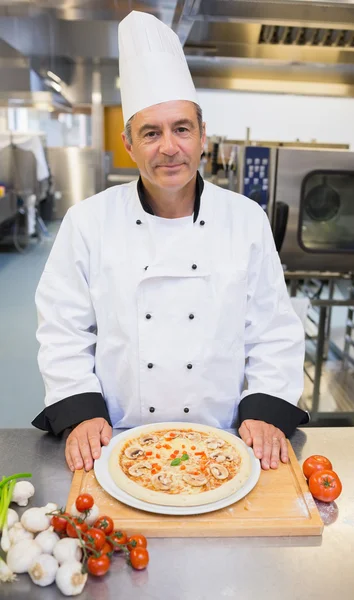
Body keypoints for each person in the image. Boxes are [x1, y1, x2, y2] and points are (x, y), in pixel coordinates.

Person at [32, 10, 309, 474]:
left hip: (225, 441)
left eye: (181, 128)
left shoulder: (245, 219)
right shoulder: (88, 222)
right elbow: (62, 327)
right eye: (151, 132)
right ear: (128, 144)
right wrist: (79, 410)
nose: (169, 146)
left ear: (202, 137)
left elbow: (273, 329)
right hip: (118, 440)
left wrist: (263, 409)